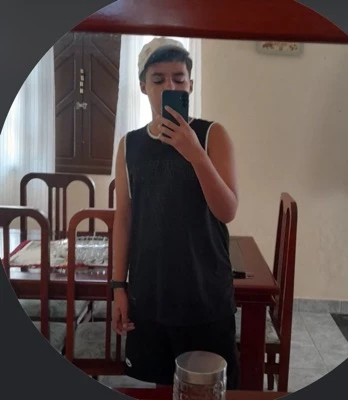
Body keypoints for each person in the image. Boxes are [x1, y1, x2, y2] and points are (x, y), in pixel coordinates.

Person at [111, 37, 240, 389]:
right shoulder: (130, 145)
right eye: (158, 79)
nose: (170, 86)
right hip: (149, 293)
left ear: (190, 85)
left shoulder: (212, 135)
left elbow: (227, 210)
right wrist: (118, 286)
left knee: (207, 389)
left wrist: (195, 154)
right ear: (143, 86)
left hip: (204, 292)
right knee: (160, 387)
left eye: (179, 79)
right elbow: (124, 217)